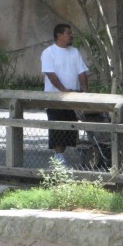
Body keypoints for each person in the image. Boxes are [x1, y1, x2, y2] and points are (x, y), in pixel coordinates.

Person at [41, 24, 89, 165]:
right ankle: (58, 157)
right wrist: (62, 89)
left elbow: (82, 72)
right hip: (54, 98)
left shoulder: (74, 52)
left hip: (73, 97)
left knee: (70, 128)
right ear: (59, 35)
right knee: (57, 126)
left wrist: (85, 91)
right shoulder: (49, 52)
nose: (71, 35)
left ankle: (63, 156)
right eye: (68, 33)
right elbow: (50, 73)